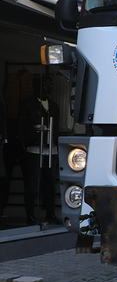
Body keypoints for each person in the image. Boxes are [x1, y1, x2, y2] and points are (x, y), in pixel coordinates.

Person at [19, 75, 59, 225]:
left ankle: (50, 212)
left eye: (50, 84)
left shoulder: (53, 105)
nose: (49, 87)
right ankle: (30, 214)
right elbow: (22, 127)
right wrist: (33, 134)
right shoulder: (28, 104)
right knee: (33, 183)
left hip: (51, 148)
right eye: (45, 84)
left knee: (50, 182)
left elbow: (56, 126)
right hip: (35, 148)